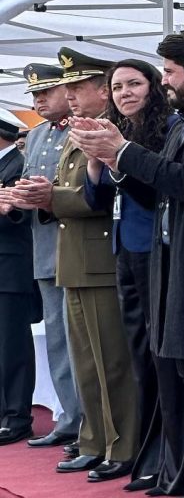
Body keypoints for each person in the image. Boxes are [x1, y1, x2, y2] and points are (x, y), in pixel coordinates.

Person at [73, 31, 184, 498]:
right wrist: (114, 158)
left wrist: (123, 151)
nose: (163, 82)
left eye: (168, 73)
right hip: (173, 262)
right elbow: (161, 189)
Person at [11, 48, 140, 481]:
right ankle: (94, 439)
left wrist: (50, 198)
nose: (69, 95)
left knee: (110, 361)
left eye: (77, 87)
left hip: (100, 256)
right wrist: (42, 197)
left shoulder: (111, 131)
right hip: (71, 257)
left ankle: (122, 444)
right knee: (85, 361)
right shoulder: (74, 131)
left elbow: (96, 197)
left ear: (100, 92)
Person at [78, 59, 175, 491]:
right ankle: (144, 450)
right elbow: (98, 199)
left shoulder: (167, 128)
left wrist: (117, 159)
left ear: (152, 87)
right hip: (124, 248)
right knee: (139, 355)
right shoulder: (115, 130)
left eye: (134, 84)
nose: (125, 93)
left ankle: (165, 454)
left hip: (156, 250)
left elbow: (154, 191)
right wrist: (94, 163)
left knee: (158, 356)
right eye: (117, 87)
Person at [19, 63, 82, 450]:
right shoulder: (38, 135)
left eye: (46, 92)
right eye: (35, 95)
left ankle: (92, 422)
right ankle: (70, 417)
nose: (39, 100)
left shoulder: (84, 128)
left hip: (80, 248)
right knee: (58, 341)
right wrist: (18, 199)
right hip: (46, 249)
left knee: (84, 343)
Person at [0, 109, 39, 447]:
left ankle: (16, 417)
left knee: (13, 346)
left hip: (11, 270)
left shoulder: (18, 165)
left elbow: (18, 216)